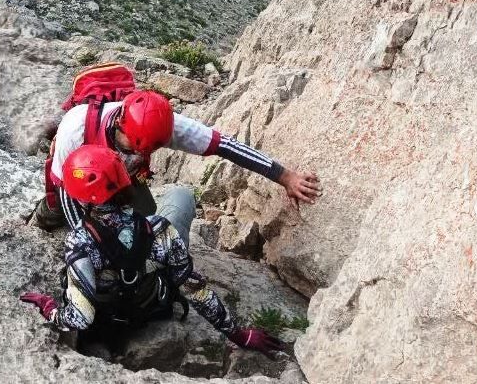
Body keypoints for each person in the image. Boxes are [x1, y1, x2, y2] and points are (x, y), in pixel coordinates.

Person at [20, 145, 284, 357]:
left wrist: (50, 308)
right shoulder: (159, 229)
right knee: (182, 197)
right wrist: (238, 334)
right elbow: (196, 290)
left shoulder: (80, 241)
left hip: (109, 320)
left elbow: (80, 317)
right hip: (151, 308)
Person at [32, 89, 321, 230]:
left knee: (141, 223)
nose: (136, 154)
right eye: (132, 147)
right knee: (53, 217)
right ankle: (45, 217)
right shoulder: (76, 129)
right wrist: (85, 236)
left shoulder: (164, 125)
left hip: (121, 183)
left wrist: (285, 177)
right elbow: (65, 190)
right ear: (119, 122)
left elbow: (226, 146)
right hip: (76, 181)